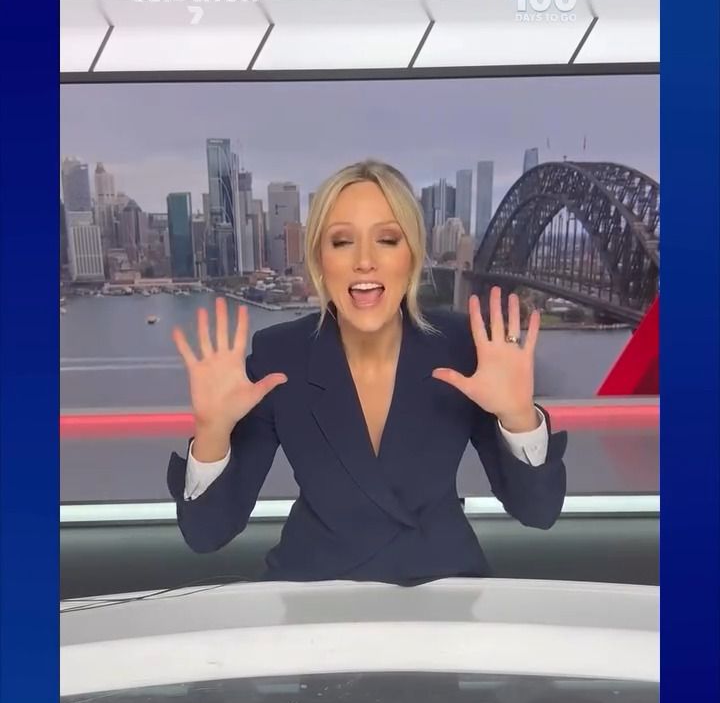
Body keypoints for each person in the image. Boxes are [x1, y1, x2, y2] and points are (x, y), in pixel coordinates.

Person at [167, 159, 567, 583]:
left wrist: (518, 418)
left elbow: (538, 512)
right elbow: (206, 534)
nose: (364, 261)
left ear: (412, 256)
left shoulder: (462, 348)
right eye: (342, 242)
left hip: (442, 588)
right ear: (319, 259)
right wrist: (212, 432)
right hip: (315, 591)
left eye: (387, 240)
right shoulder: (280, 356)